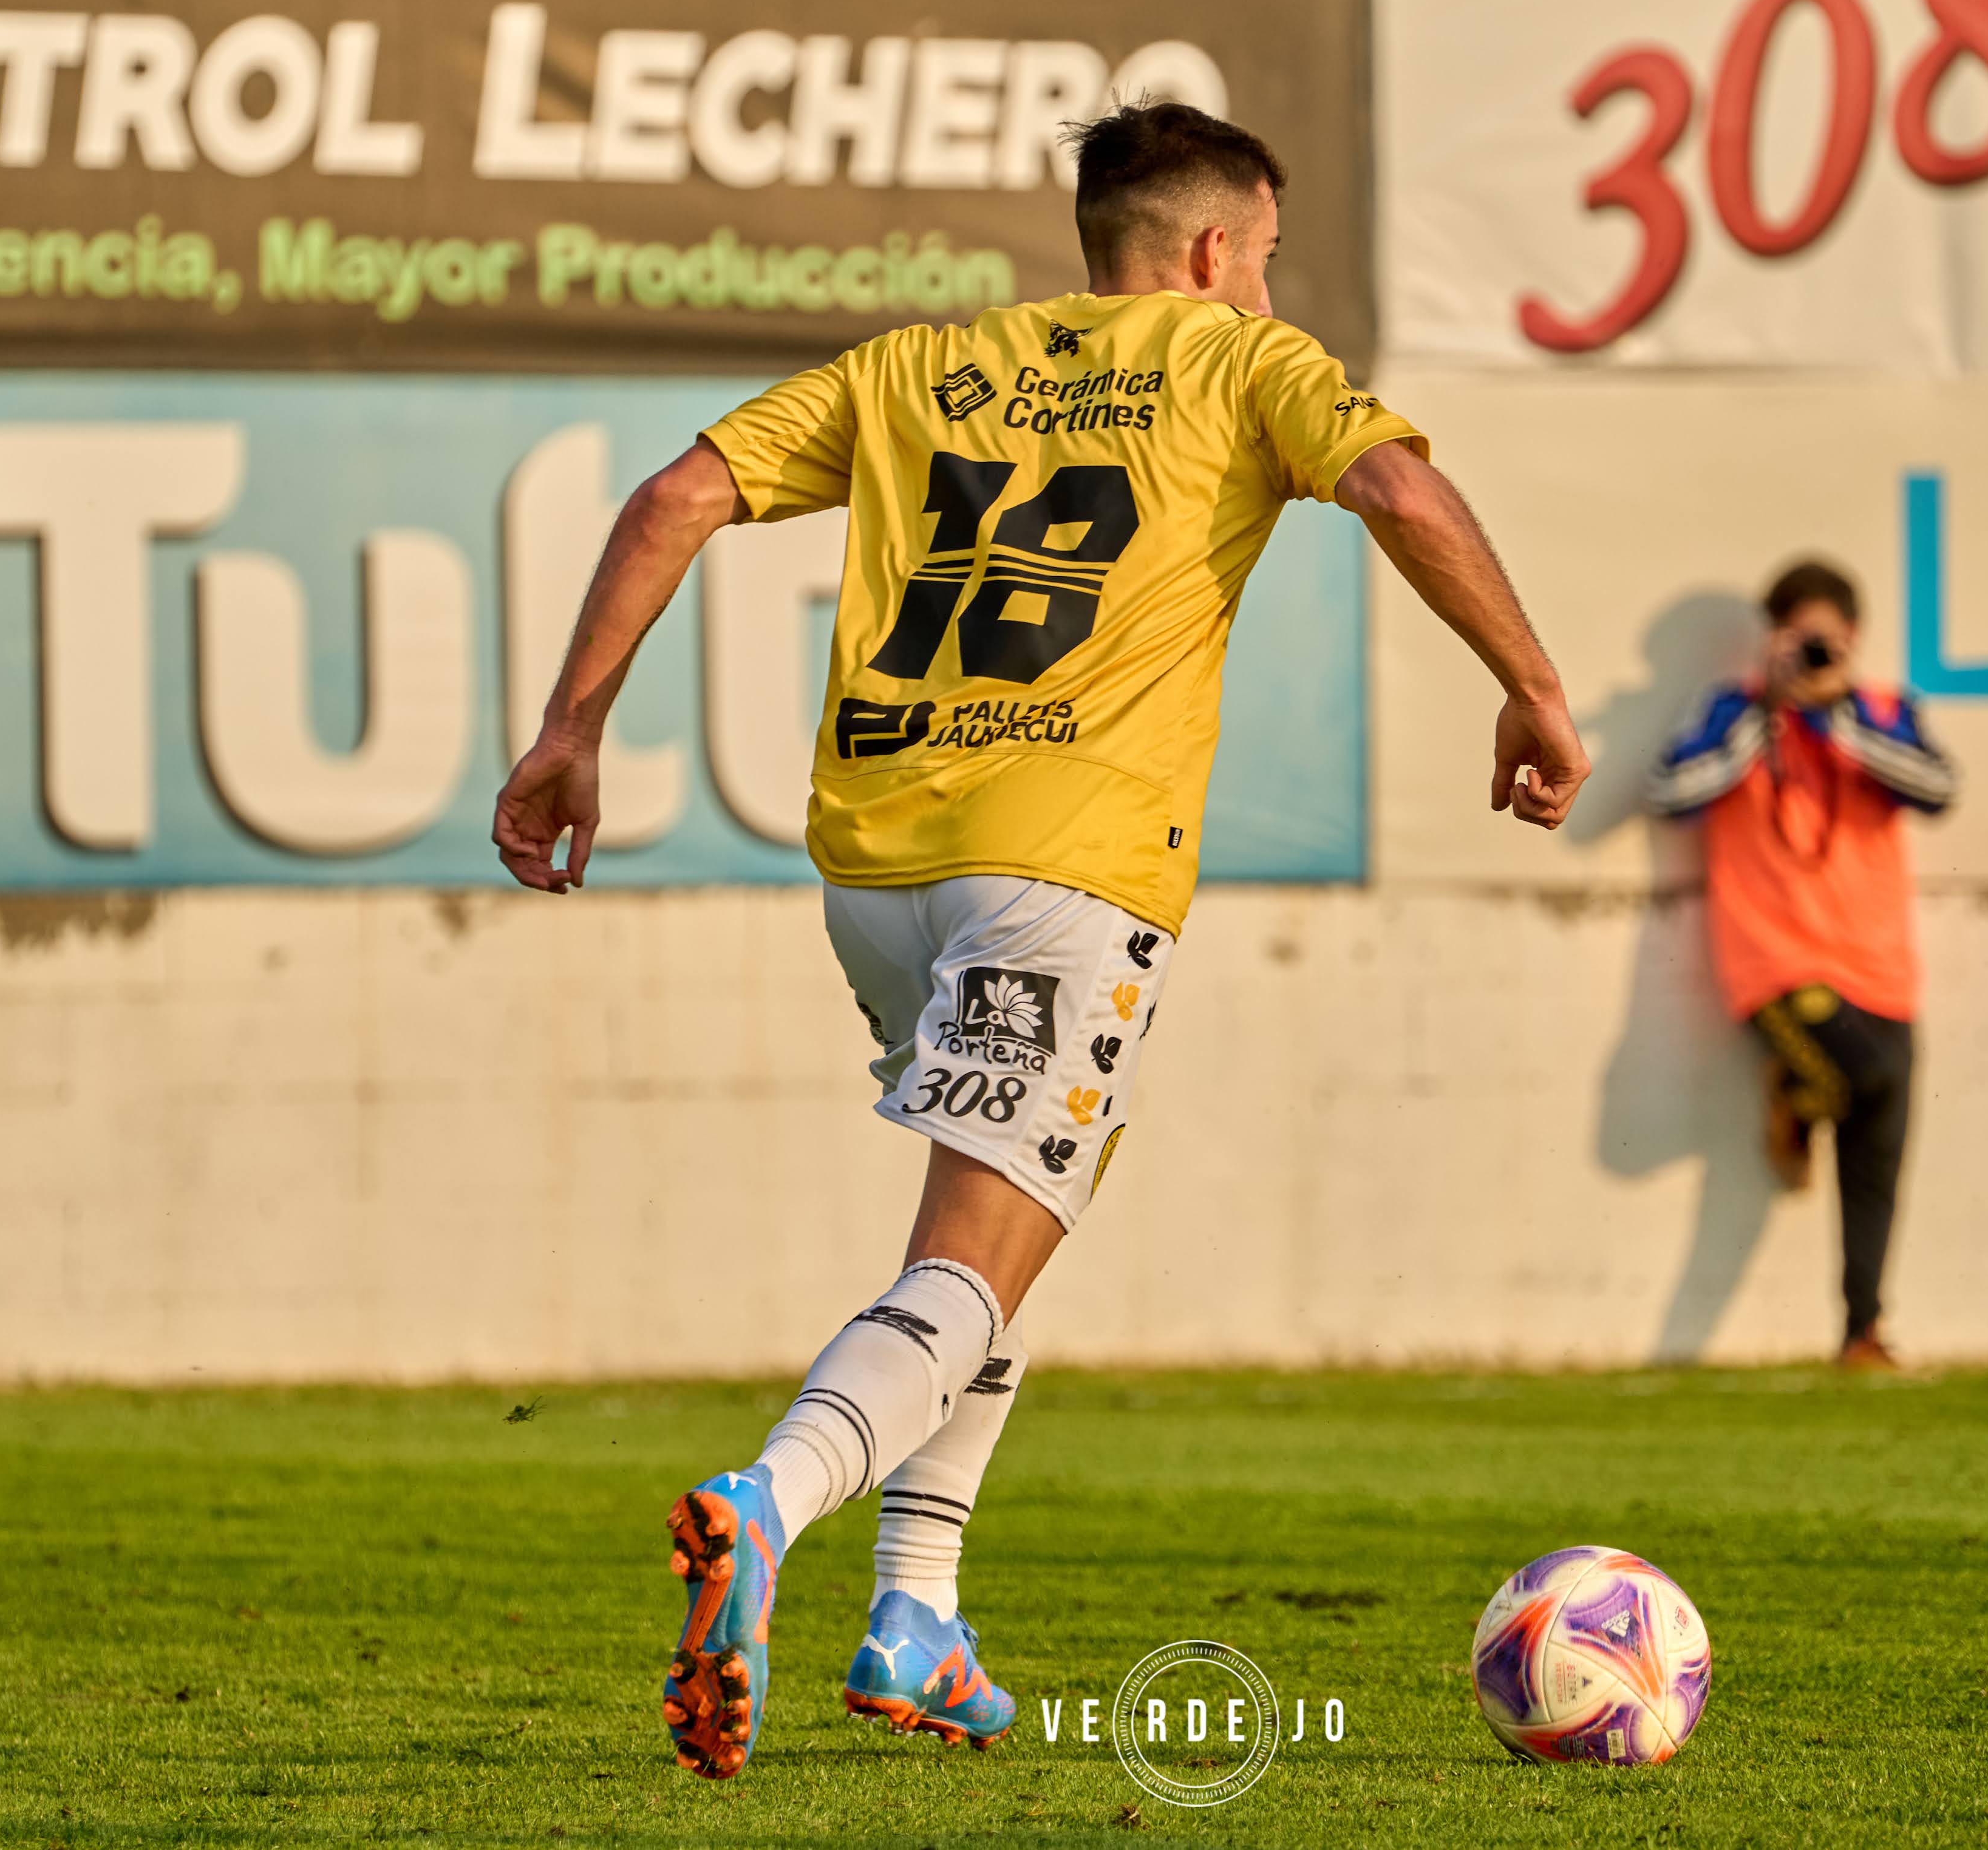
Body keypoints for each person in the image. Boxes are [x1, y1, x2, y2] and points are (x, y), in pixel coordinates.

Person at [492, 101, 1589, 1780]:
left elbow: (675, 492)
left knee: (1009, 1229)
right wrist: (1530, 681)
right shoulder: (1242, 369)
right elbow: (1397, 486)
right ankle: (765, 1503)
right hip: (1065, 873)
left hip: (875, 868)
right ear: (1218, 252)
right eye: (1271, 263)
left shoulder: (921, 362)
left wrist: (572, 728)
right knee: (970, 1257)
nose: (1274, 295)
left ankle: (918, 1615)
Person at [1645, 559, 1956, 1371]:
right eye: (1795, 640)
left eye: (1825, 642)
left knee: (1877, 1157)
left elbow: (1938, 789)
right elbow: (1674, 789)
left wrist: (1838, 717)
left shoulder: (1884, 713)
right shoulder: (1733, 711)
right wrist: (1774, 714)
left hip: (1881, 966)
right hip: (1775, 962)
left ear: (1851, 641)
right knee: (1864, 1082)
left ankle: (1862, 1334)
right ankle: (1796, 1091)